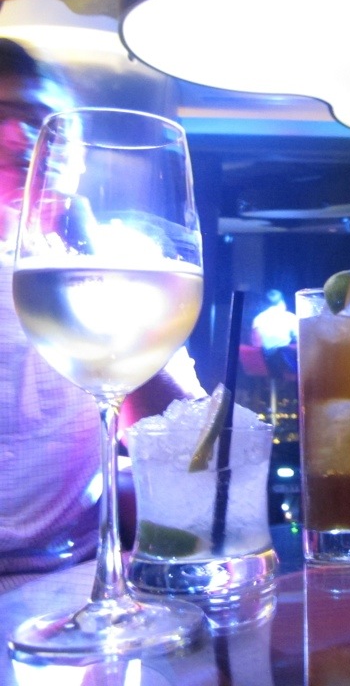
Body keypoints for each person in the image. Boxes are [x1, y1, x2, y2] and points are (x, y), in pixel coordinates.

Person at [0, 38, 202, 590]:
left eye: (46, 125)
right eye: (1, 117)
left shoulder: (130, 262)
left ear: (80, 156)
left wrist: (88, 262)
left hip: (79, 577)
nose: (23, 138)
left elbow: (187, 449)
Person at [250, 288, 298, 377]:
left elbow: (256, 344)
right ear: (282, 303)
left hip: (264, 363)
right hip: (285, 364)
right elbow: (302, 341)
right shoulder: (290, 317)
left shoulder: (258, 319)